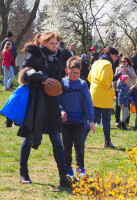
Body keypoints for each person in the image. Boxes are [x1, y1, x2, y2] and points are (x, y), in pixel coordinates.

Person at [17, 31, 70, 187]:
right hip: (37, 103)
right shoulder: (35, 54)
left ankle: (63, 177)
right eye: (52, 43)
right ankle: (23, 172)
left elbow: (60, 80)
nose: (55, 46)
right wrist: (43, 79)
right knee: (29, 138)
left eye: (56, 43)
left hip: (53, 103)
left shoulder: (58, 57)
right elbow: (23, 74)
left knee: (56, 140)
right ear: (43, 42)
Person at [58, 56, 95, 181]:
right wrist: (61, 110)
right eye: (72, 72)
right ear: (66, 70)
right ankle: (69, 170)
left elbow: (88, 102)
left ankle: (81, 171)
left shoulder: (83, 84)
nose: (74, 75)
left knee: (79, 145)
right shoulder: (62, 83)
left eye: (77, 73)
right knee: (66, 147)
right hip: (66, 122)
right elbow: (57, 100)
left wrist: (91, 120)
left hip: (80, 121)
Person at [88, 47, 119, 148]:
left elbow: (89, 77)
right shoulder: (108, 64)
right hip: (104, 95)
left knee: (93, 119)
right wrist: (109, 86)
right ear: (111, 54)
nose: (116, 58)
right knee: (106, 120)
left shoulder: (96, 62)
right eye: (115, 55)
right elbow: (104, 80)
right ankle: (107, 142)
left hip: (94, 93)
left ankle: (81, 140)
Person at [113, 56, 136, 128]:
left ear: (127, 62)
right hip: (119, 89)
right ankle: (117, 121)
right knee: (118, 105)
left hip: (127, 89)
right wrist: (114, 89)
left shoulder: (130, 68)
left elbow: (134, 76)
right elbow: (114, 79)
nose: (123, 63)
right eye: (122, 61)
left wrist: (129, 71)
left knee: (126, 105)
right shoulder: (118, 68)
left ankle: (126, 122)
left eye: (125, 61)